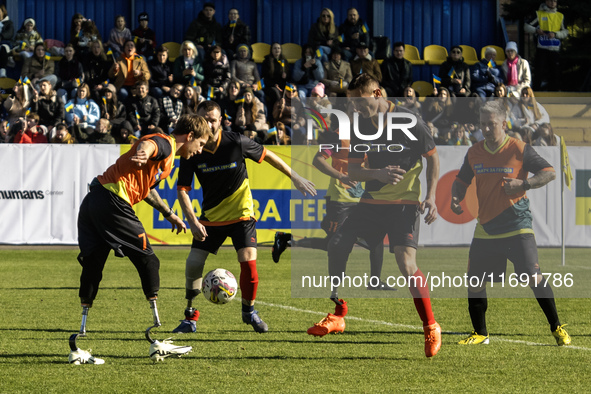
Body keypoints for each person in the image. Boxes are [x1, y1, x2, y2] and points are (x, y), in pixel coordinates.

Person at [313, 73, 441, 358]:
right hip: (370, 201)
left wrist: (431, 196)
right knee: (336, 244)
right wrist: (378, 174)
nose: (356, 108)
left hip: (404, 203)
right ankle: (338, 313)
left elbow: (432, 156)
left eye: (360, 102)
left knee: (406, 264)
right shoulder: (359, 126)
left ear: (377, 93)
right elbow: (355, 171)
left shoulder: (409, 121)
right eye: (352, 104)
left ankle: (431, 326)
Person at [71, 114, 210, 363]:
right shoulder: (166, 144)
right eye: (200, 144)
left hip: (93, 200)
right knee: (149, 260)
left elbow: (148, 189)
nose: (199, 151)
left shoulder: (164, 161)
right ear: (189, 137)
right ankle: (156, 337)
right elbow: (150, 143)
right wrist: (144, 151)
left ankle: (77, 342)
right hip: (113, 201)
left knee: (93, 265)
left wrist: (169, 214)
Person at [172, 100, 316, 334]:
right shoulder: (192, 151)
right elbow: (182, 189)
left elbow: (269, 156)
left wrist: (295, 177)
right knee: (193, 264)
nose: (208, 123)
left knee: (249, 262)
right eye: (204, 119)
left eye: (213, 119)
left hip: (242, 216)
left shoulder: (236, 141)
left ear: (221, 121)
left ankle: (249, 312)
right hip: (210, 219)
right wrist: (193, 221)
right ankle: (190, 317)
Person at [450, 100, 571, 346]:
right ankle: (480, 334)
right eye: (482, 124)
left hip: (518, 225)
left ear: (504, 124)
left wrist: (523, 184)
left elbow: (549, 172)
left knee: (533, 277)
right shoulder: (474, 152)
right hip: (486, 227)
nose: (484, 129)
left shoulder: (519, 148)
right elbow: (461, 180)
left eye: (490, 124)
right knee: (474, 281)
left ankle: (557, 327)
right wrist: (455, 197)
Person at [525, 0, 568, 91]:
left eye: (555, 1)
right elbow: (526, 26)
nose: (552, 3)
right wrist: (536, 30)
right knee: (539, 72)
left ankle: (554, 94)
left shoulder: (560, 16)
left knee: (555, 73)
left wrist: (556, 34)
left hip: (555, 49)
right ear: (546, 2)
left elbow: (565, 32)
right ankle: (536, 93)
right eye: (550, 1)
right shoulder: (539, 14)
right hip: (542, 48)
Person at [261, 43, 290, 114]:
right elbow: (264, 78)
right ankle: (274, 116)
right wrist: (274, 85)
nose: (277, 50)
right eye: (275, 48)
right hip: (270, 86)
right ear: (271, 50)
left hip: (282, 85)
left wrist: (285, 76)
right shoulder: (267, 61)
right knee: (276, 94)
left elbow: (289, 77)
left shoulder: (284, 61)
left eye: (278, 48)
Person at [0, 4, 15, 77]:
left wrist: (1, 36)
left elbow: (9, 33)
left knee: (3, 49)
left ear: (3, 12)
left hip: (5, 43)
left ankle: (2, 71)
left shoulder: (9, 23)